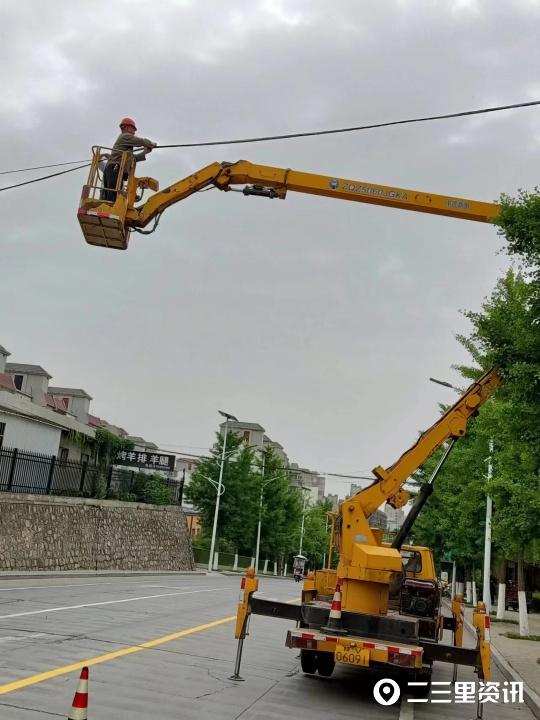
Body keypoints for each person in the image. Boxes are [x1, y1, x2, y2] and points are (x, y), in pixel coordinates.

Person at [101, 118, 156, 202]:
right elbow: (140, 141)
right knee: (112, 198)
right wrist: (151, 144)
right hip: (114, 168)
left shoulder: (126, 146)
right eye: (133, 129)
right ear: (126, 127)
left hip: (115, 169)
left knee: (114, 196)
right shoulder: (125, 136)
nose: (134, 132)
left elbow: (132, 159)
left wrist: (145, 152)